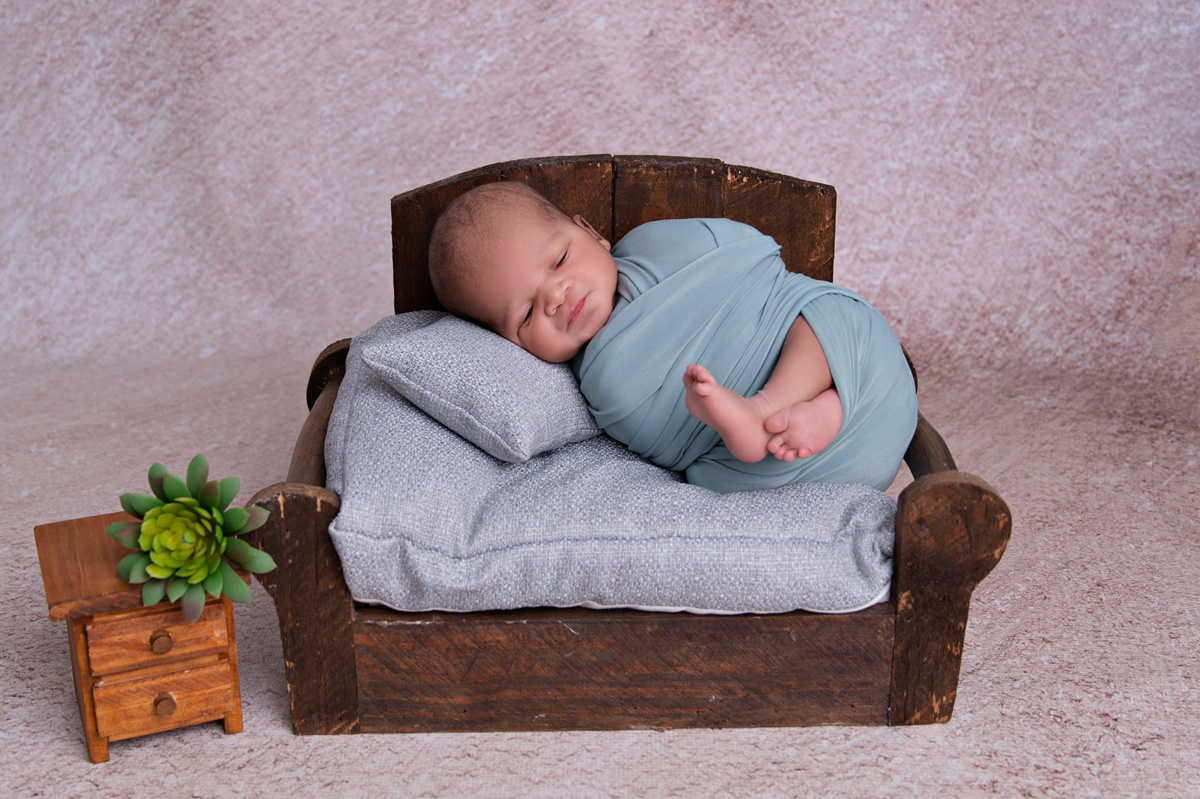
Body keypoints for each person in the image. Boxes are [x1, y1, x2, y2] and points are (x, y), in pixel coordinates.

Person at [428, 181, 917, 493]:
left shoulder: (655, 244)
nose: (556, 296)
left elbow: (754, 260)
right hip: (787, 477)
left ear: (593, 233)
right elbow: (668, 447)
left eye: (558, 261)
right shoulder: (601, 384)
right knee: (705, 480)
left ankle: (794, 407)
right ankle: (804, 414)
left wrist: (757, 312)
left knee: (826, 312)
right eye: (528, 312)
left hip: (873, 398)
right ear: (512, 346)